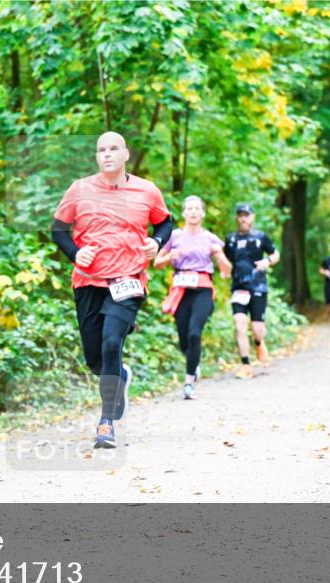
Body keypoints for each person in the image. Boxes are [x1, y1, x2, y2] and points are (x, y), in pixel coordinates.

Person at [51, 131, 173, 448]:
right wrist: (76, 253)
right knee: (95, 358)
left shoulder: (147, 191)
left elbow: (165, 223)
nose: (107, 154)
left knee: (110, 342)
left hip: (128, 280)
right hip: (88, 281)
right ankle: (120, 376)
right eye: (101, 149)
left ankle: (106, 424)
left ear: (125, 154)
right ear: (96, 157)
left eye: (113, 148)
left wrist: (156, 242)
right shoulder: (79, 190)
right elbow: (58, 229)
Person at [155, 196, 231, 400]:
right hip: (181, 289)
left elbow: (226, 270)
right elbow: (157, 263)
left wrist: (220, 256)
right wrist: (170, 256)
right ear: (184, 213)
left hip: (203, 288)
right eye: (190, 208)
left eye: (197, 208)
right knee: (184, 339)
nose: (194, 212)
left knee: (195, 334)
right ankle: (193, 363)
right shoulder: (174, 236)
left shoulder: (211, 238)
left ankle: (189, 383)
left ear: (203, 213)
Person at [223, 203, 280, 379]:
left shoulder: (261, 237)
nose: (243, 218)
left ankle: (259, 342)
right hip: (239, 288)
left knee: (257, 329)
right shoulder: (231, 239)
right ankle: (246, 365)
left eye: (246, 215)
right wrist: (225, 271)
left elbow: (275, 254)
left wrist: (267, 261)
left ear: (252, 217)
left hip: (258, 287)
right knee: (239, 324)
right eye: (240, 215)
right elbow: (225, 260)